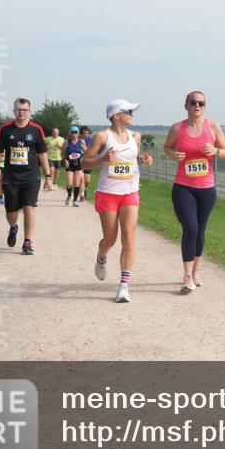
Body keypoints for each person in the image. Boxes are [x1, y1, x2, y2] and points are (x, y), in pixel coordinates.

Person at [81, 100, 153, 303]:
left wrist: (143, 160)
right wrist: (103, 159)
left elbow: (132, 159)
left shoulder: (135, 136)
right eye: (128, 111)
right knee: (110, 239)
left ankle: (123, 286)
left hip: (130, 192)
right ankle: (101, 256)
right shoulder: (102, 137)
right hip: (108, 193)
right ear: (116, 115)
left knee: (129, 237)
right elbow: (85, 162)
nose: (132, 114)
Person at [163, 91, 225, 294]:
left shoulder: (213, 127)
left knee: (200, 230)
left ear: (205, 106)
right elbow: (167, 147)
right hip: (183, 187)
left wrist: (215, 151)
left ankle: (196, 269)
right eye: (193, 102)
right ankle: (187, 277)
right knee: (190, 228)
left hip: (206, 188)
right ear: (186, 106)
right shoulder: (177, 128)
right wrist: (173, 154)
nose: (197, 106)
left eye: (201, 103)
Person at [0, 98, 50, 255]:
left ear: (29, 111)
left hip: (31, 176)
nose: (21, 112)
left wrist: (48, 176)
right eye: (18, 109)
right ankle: (13, 227)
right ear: (14, 111)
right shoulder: (5, 129)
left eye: (24, 110)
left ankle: (27, 242)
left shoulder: (36, 130)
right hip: (11, 176)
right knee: (11, 211)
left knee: (29, 207)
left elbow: (42, 154)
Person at [63, 126, 85, 207]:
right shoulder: (66, 142)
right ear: (70, 133)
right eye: (72, 132)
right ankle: (69, 195)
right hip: (70, 164)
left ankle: (75, 201)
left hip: (79, 164)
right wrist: (65, 159)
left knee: (76, 183)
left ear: (78, 133)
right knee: (69, 183)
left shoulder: (81, 141)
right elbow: (63, 153)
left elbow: (86, 152)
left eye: (76, 132)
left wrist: (83, 157)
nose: (74, 134)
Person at [79, 125, 94, 202]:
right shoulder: (77, 140)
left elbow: (89, 152)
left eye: (87, 133)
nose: (86, 134)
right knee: (81, 179)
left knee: (87, 180)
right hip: (79, 162)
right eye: (84, 133)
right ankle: (82, 195)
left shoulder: (90, 141)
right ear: (81, 133)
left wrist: (84, 147)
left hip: (88, 161)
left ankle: (85, 188)